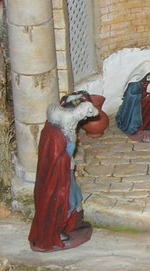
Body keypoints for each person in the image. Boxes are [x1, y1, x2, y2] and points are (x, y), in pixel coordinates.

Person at [29, 91, 98, 252]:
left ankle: (73, 224)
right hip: (58, 177)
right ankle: (56, 232)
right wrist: (66, 161)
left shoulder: (66, 129)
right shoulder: (55, 135)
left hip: (66, 172)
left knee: (75, 197)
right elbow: (56, 158)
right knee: (62, 202)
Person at [115, 68, 150, 142]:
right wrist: (146, 92)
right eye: (149, 77)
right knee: (141, 113)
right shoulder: (135, 81)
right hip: (139, 102)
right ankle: (140, 129)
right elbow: (132, 96)